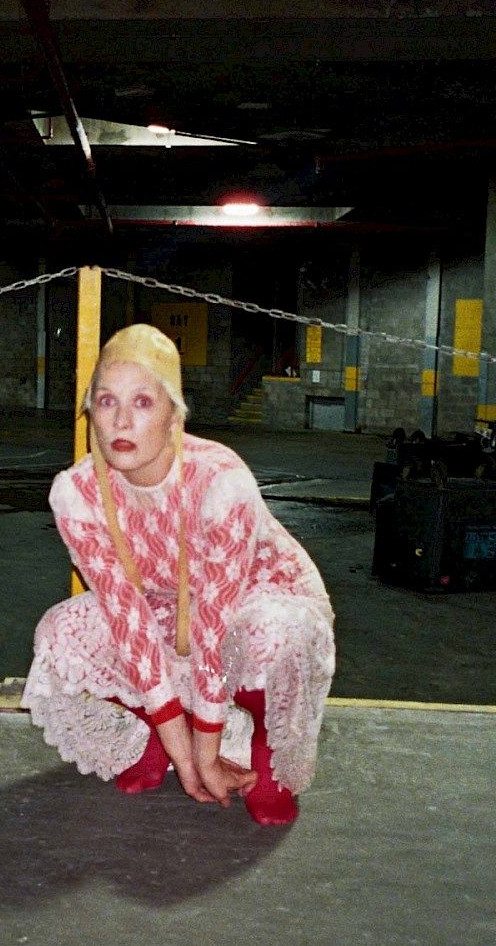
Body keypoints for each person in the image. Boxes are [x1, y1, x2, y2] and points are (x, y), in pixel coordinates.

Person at [21, 324, 335, 825]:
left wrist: (206, 754)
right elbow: (128, 619)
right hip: (171, 604)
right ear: (90, 413)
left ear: (174, 415)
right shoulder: (77, 494)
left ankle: (266, 752)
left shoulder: (219, 481)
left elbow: (213, 626)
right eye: (106, 402)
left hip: (260, 599)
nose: (121, 420)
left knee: (272, 634)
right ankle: (156, 738)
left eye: (143, 402)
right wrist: (186, 755)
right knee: (62, 634)